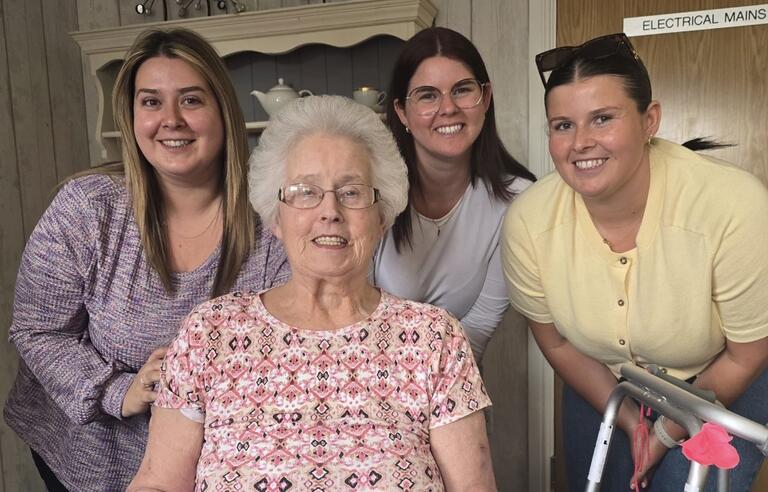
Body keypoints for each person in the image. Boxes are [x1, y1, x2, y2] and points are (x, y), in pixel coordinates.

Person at [128, 95, 496, 491]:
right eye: (305, 191)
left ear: (381, 216)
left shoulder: (433, 337)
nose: (330, 211)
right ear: (277, 217)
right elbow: (158, 484)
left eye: (352, 192)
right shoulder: (209, 333)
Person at [3, 28, 288, 491]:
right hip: (84, 452)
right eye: (151, 102)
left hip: (211, 459)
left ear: (223, 110)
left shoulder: (273, 221)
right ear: (132, 116)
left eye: (191, 100)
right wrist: (120, 390)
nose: (170, 120)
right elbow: (37, 330)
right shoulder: (88, 207)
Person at [502, 32, 768, 491]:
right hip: (605, 378)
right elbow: (557, 343)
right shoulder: (528, 222)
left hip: (723, 372)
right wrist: (630, 422)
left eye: (602, 118)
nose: (580, 142)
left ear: (650, 121)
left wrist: (663, 434)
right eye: (563, 125)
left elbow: (746, 355)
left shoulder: (734, 206)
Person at [372, 27, 536, 363]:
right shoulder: (369, 193)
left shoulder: (519, 201)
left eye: (462, 90)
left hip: (457, 379)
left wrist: (431, 388)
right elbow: (349, 313)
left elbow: (479, 327)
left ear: (485, 98)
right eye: (427, 95)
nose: (448, 108)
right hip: (367, 376)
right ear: (401, 111)